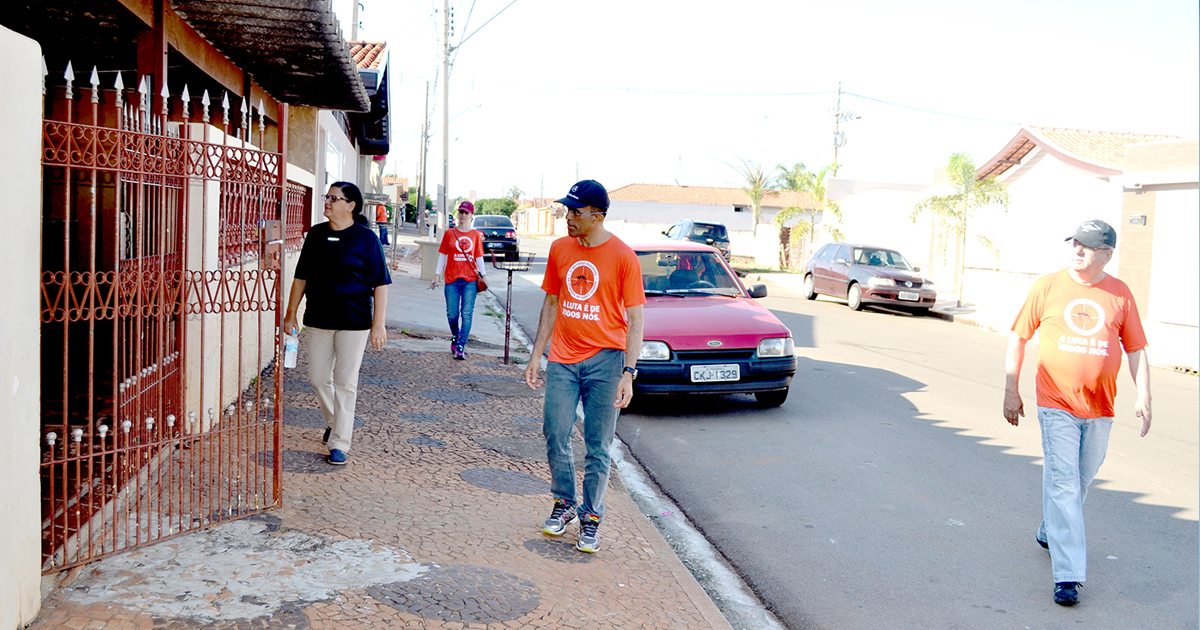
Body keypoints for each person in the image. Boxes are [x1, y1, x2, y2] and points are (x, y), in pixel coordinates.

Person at [1003, 219, 1151, 606]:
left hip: (1101, 407)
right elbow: (1019, 336)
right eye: (1075, 243)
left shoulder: (1120, 294)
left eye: (1087, 245)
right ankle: (1068, 576)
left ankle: (1050, 529)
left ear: (1107, 254)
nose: (1078, 249)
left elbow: (1135, 349)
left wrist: (1144, 394)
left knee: (1080, 479)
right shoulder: (1048, 286)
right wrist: (1010, 390)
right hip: (1057, 406)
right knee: (1065, 483)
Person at [524, 180, 645, 553]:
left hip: (607, 361)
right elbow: (551, 304)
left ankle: (591, 517)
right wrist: (536, 354)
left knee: (598, 445)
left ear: (598, 216)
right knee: (555, 431)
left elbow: (636, 319)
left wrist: (629, 371)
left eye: (575, 212)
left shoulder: (623, 257)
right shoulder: (560, 249)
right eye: (567, 210)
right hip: (562, 356)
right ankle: (565, 502)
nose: (568, 218)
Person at [283, 181, 391, 466]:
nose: (327, 201)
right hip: (318, 318)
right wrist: (290, 312)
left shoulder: (367, 239)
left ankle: (340, 442)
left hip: (354, 322)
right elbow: (301, 276)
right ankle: (335, 420)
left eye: (334, 198)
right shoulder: (316, 235)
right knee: (318, 378)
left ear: (351, 205)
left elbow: (380, 284)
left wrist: (379, 324)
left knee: (345, 381)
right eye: (327, 197)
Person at [430, 201, 487, 360]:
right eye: (461, 212)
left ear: (471, 215)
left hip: (470, 280)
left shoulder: (475, 235)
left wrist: (484, 275)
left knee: (467, 314)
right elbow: (443, 254)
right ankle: (455, 335)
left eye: (466, 213)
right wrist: (436, 274)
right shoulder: (450, 233)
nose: (463, 215)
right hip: (452, 279)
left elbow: (479, 256)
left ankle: (461, 345)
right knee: (452, 314)